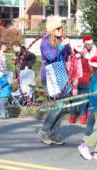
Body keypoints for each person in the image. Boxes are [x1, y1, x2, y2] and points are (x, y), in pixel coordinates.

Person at [36, 15, 71, 145]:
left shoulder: (59, 40)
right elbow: (50, 56)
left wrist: (68, 48)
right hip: (50, 76)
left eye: (61, 28)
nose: (61, 30)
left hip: (60, 74)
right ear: (52, 30)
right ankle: (45, 130)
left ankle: (54, 134)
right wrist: (62, 45)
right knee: (57, 106)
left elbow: (66, 56)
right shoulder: (45, 41)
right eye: (58, 28)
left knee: (62, 107)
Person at [69, 36, 96, 124]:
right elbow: (91, 70)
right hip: (85, 81)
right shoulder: (86, 60)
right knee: (84, 100)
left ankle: (72, 118)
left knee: (75, 99)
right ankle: (83, 118)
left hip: (75, 81)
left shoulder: (73, 59)